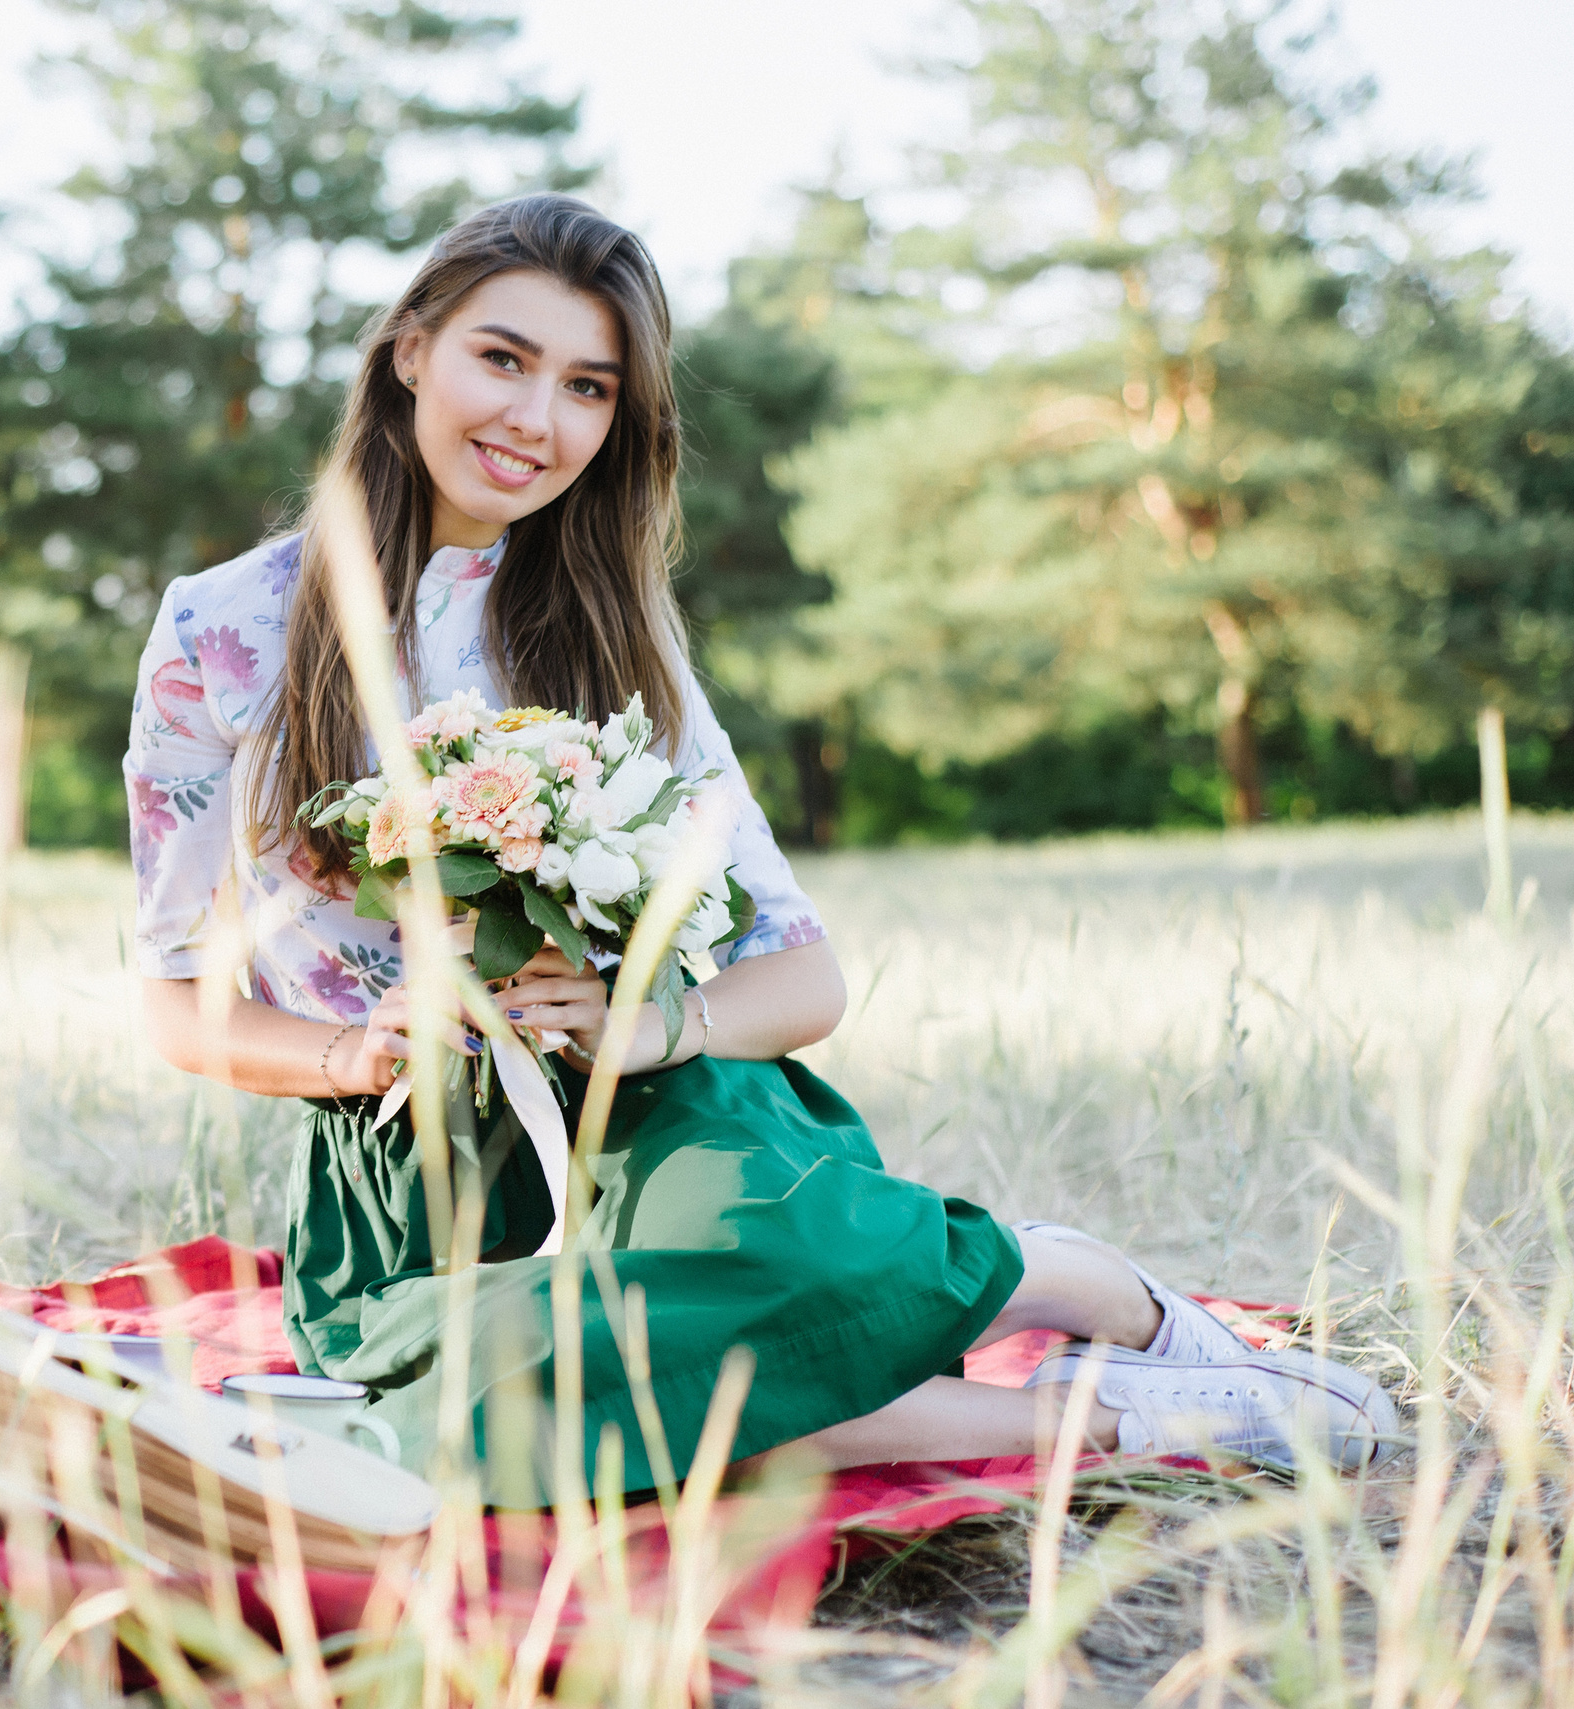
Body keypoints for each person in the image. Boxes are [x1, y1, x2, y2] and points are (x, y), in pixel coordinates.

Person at [123, 194, 1395, 1502]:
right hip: (410, 1178)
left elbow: (805, 980)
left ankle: (1071, 1282)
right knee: (477, 1420)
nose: (535, 420)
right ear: (410, 352)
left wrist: (644, 1024)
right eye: (501, 359)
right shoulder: (223, 634)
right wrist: (356, 1049)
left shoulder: (615, 635)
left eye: (588, 387)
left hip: (664, 1126)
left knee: (747, 1276)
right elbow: (177, 1004)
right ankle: (1108, 1420)